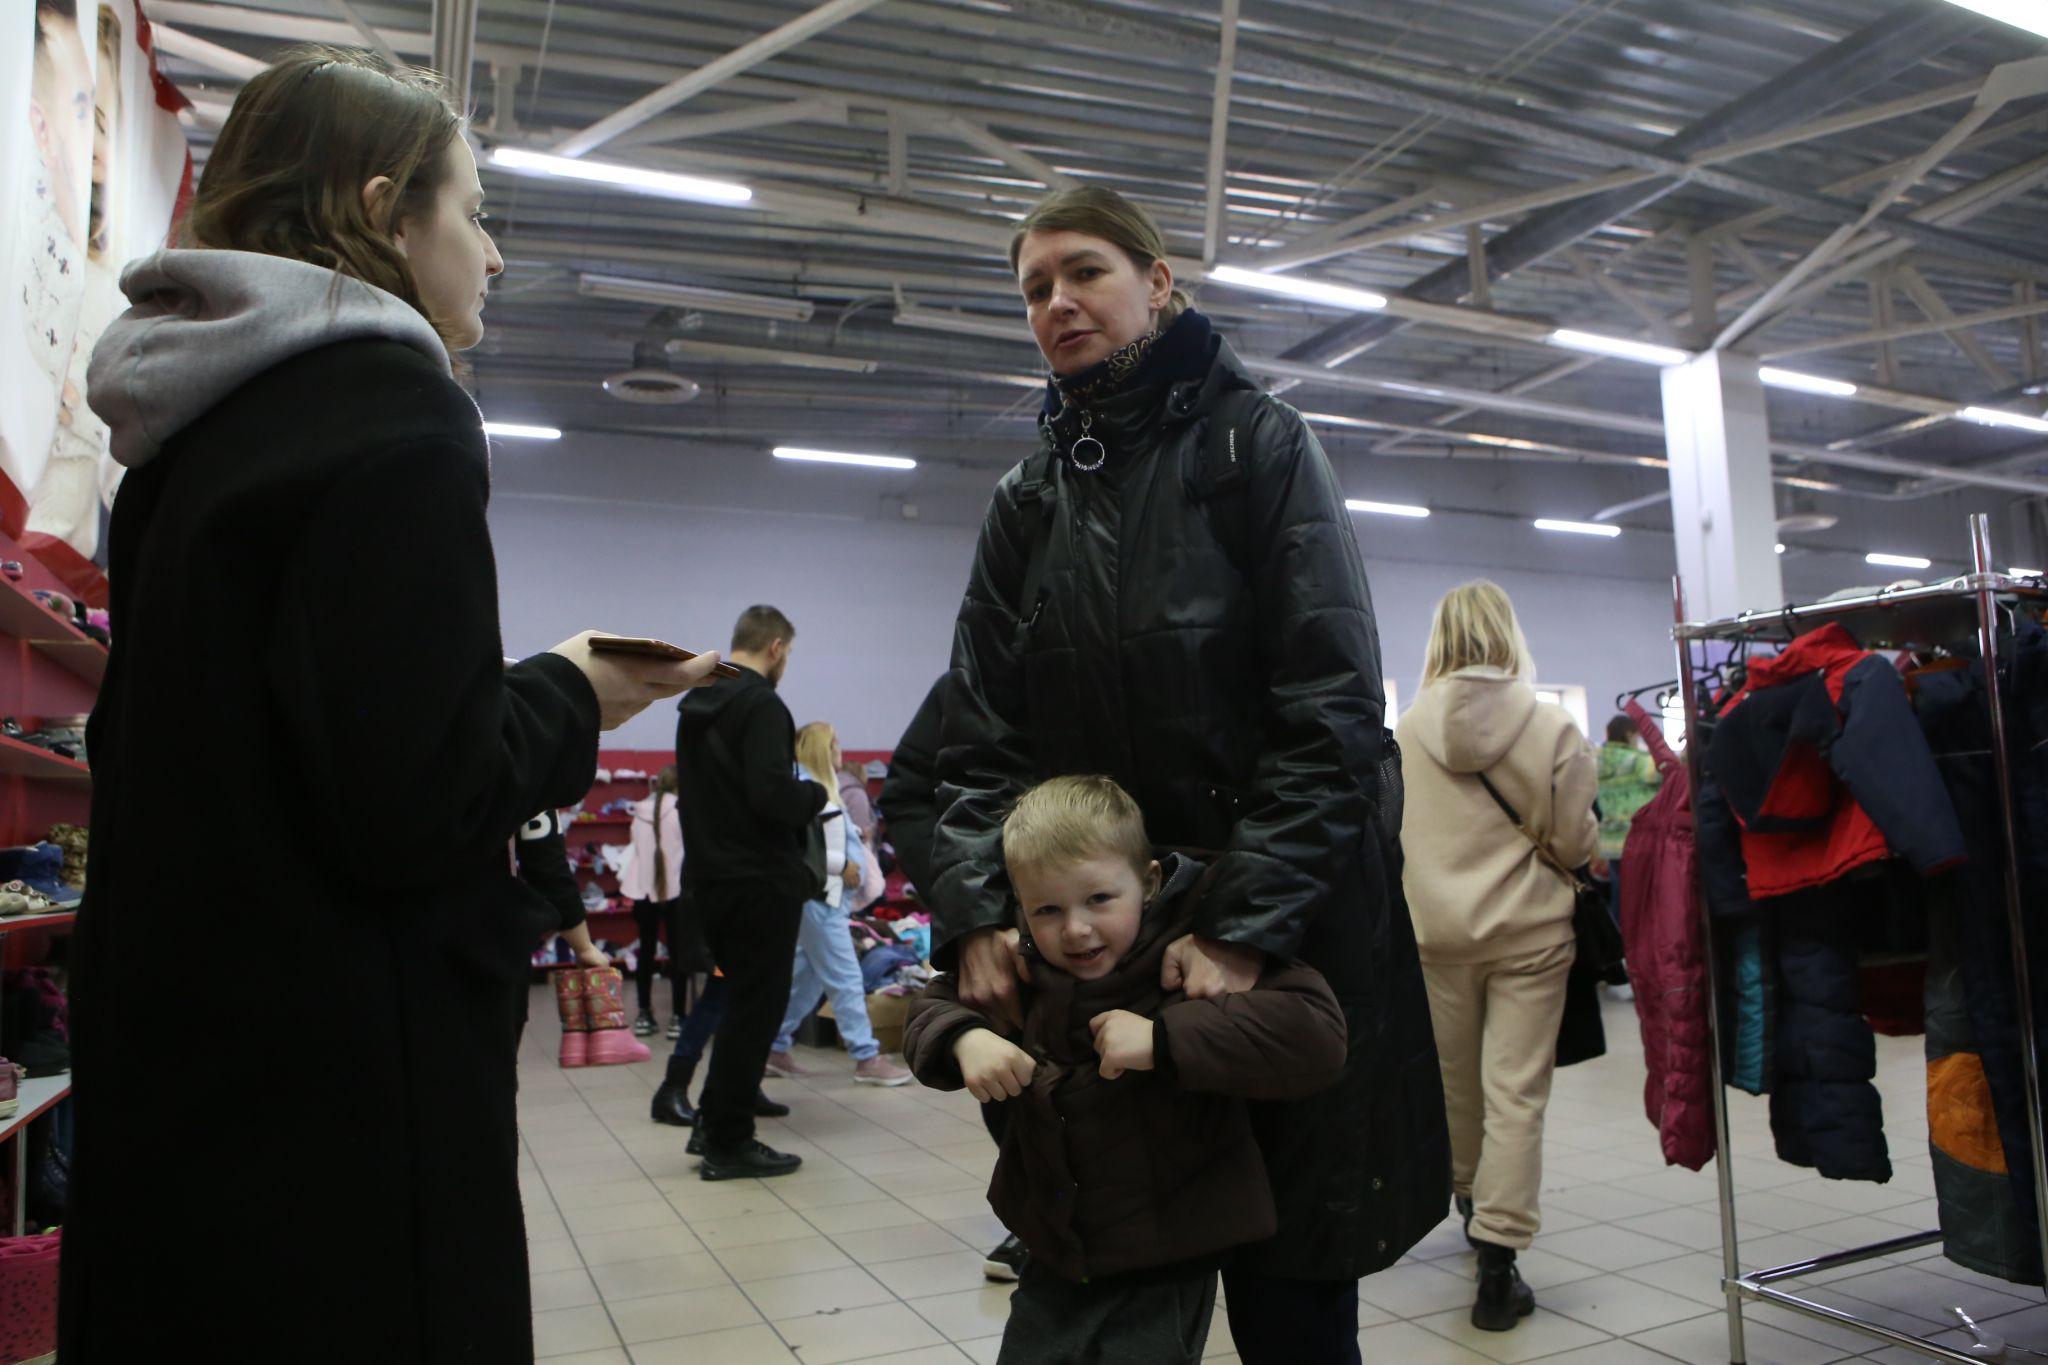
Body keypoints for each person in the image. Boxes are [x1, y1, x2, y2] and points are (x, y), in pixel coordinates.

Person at [63, 47, 723, 1361]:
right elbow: (421, 798)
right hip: (344, 1098)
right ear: (382, 211)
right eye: (471, 211)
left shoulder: (187, 439)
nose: (492, 254)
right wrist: (572, 689)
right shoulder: (392, 409)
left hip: (188, 1064)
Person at [928, 184, 1448, 1362]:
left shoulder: (1257, 447)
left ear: (1157, 283)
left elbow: (1330, 712)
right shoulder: (1027, 500)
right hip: (1098, 964)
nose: (1057, 303)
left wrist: (1241, 926)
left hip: (1276, 953)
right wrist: (974, 912)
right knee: (1114, 1305)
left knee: (1289, 1299)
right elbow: (975, 737)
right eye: (1033, 289)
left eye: (1084, 272)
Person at [906, 776, 1348, 1365]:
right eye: (1047, 909)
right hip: (1053, 1245)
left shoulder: (1199, 951)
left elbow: (1315, 1034)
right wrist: (965, 1038)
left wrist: (1165, 1039)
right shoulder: (1025, 961)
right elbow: (931, 1008)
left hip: (1169, 1253)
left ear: (1150, 881)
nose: (1076, 929)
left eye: (1099, 899)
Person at [1395, 581, 1599, 1332]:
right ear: (1507, 632)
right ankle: (1498, 1260)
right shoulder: (1552, 725)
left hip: (1436, 936)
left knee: (1455, 1087)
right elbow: (1575, 843)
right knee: (1515, 1092)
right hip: (1531, 935)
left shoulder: (1406, 730)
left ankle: (1470, 1203)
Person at [674, 604, 826, 1180]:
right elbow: (771, 796)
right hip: (760, 880)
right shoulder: (761, 705)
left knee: (740, 1005)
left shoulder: (697, 704)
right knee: (756, 1013)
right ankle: (729, 1141)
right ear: (777, 648)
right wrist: (814, 797)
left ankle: (712, 1121)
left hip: (710, 878)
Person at [885, 674, 1028, 1282]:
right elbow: (908, 794)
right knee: (1015, 1081)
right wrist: (971, 912)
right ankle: (1037, 1217)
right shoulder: (979, 677)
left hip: (1141, 914)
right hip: (1004, 925)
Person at [765, 722, 912, 1085]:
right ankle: (866, 1056)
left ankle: (774, 1047)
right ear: (822, 749)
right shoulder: (805, 788)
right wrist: (841, 863)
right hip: (821, 897)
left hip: (826, 897)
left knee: (808, 978)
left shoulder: (817, 786)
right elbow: (795, 847)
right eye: (834, 745)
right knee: (846, 977)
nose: (840, 751)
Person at [621, 765, 686, 1036]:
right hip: (676, 890)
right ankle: (678, 1017)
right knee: (679, 955)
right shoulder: (681, 812)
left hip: (643, 891)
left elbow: (635, 847)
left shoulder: (639, 814)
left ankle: (644, 1015)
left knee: (646, 953)